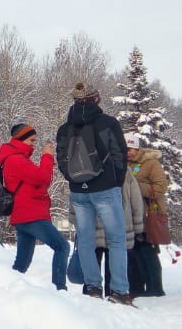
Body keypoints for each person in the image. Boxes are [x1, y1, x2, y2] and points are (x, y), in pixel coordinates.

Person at [55, 83, 133, 305]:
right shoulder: (108, 123)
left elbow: (61, 159)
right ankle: (118, 291)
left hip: (78, 191)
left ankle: (92, 288)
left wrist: (73, 180)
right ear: (95, 99)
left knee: (86, 241)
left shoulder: (64, 129)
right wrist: (115, 182)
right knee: (116, 240)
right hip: (106, 188)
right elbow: (120, 154)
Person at [0, 124, 69, 291]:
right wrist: (46, 157)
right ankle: (60, 289)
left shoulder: (13, 158)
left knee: (23, 261)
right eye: (31, 140)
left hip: (23, 215)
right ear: (21, 139)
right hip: (32, 215)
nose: (34, 144)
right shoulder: (16, 159)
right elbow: (42, 178)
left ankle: (8, 290)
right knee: (62, 246)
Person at [126, 133, 168, 297]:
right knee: (132, 249)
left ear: (137, 149)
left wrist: (134, 187)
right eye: (126, 149)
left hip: (148, 212)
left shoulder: (151, 163)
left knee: (147, 249)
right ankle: (136, 287)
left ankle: (155, 287)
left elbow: (160, 188)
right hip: (129, 213)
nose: (128, 152)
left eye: (131, 149)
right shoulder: (123, 164)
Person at [94, 164, 144, 297]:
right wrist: (138, 225)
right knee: (115, 261)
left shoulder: (88, 166)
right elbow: (136, 199)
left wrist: (76, 219)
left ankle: (92, 292)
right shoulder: (123, 169)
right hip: (119, 222)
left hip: (95, 224)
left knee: (94, 260)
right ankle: (114, 293)